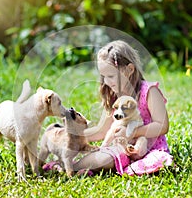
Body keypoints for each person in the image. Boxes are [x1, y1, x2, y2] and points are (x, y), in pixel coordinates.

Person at [43, 40, 173, 176]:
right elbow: (102, 131)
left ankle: (70, 167)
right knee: (107, 158)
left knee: (156, 161)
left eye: (111, 76)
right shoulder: (115, 97)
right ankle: (73, 166)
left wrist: (133, 133)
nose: (106, 81)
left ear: (129, 69)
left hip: (149, 149)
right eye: (104, 76)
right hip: (123, 149)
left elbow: (162, 126)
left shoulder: (149, 91)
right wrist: (69, 136)